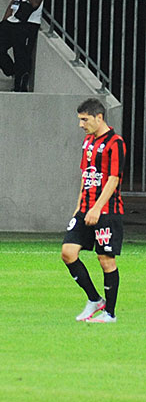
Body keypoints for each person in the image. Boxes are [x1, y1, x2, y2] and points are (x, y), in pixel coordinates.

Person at [61, 98, 126, 323]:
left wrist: (97, 208)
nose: (81, 124)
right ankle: (94, 299)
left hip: (107, 211)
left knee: (105, 260)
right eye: (80, 119)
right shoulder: (88, 142)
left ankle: (110, 313)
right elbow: (85, 174)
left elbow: (114, 179)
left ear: (99, 118)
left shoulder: (115, 142)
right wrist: (79, 206)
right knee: (68, 253)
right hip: (85, 208)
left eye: (84, 119)